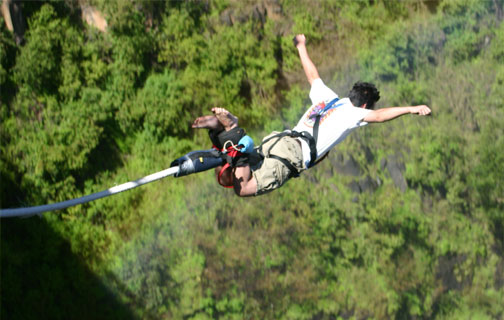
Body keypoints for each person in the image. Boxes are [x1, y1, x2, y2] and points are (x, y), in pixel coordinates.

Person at [190, 34, 431, 197]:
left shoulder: (328, 98)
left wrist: (301, 46)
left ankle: (222, 135)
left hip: (279, 139)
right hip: (292, 155)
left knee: (236, 168)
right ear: (365, 105)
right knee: (244, 188)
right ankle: (232, 129)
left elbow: (312, 74)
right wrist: (410, 109)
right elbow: (379, 116)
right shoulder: (353, 114)